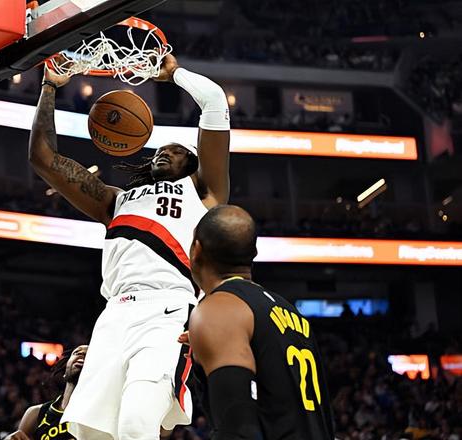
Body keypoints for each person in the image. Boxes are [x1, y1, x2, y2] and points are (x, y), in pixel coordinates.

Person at [29, 53, 230, 440]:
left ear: (193, 164)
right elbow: (43, 158)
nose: (164, 152)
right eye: (160, 149)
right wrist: (50, 86)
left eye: (176, 150)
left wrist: (175, 74)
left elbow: (215, 102)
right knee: (90, 433)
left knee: (138, 423)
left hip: (167, 309)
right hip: (114, 314)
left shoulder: (205, 193)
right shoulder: (115, 200)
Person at [187, 205, 335, 439]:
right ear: (253, 253)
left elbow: (238, 428)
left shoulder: (218, 310)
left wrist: (213, 327)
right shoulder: (290, 311)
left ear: (196, 250)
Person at [17, 345, 87, 440]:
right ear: (64, 372)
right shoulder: (36, 413)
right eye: (77, 352)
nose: (82, 354)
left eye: (88, 355)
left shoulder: (101, 416)